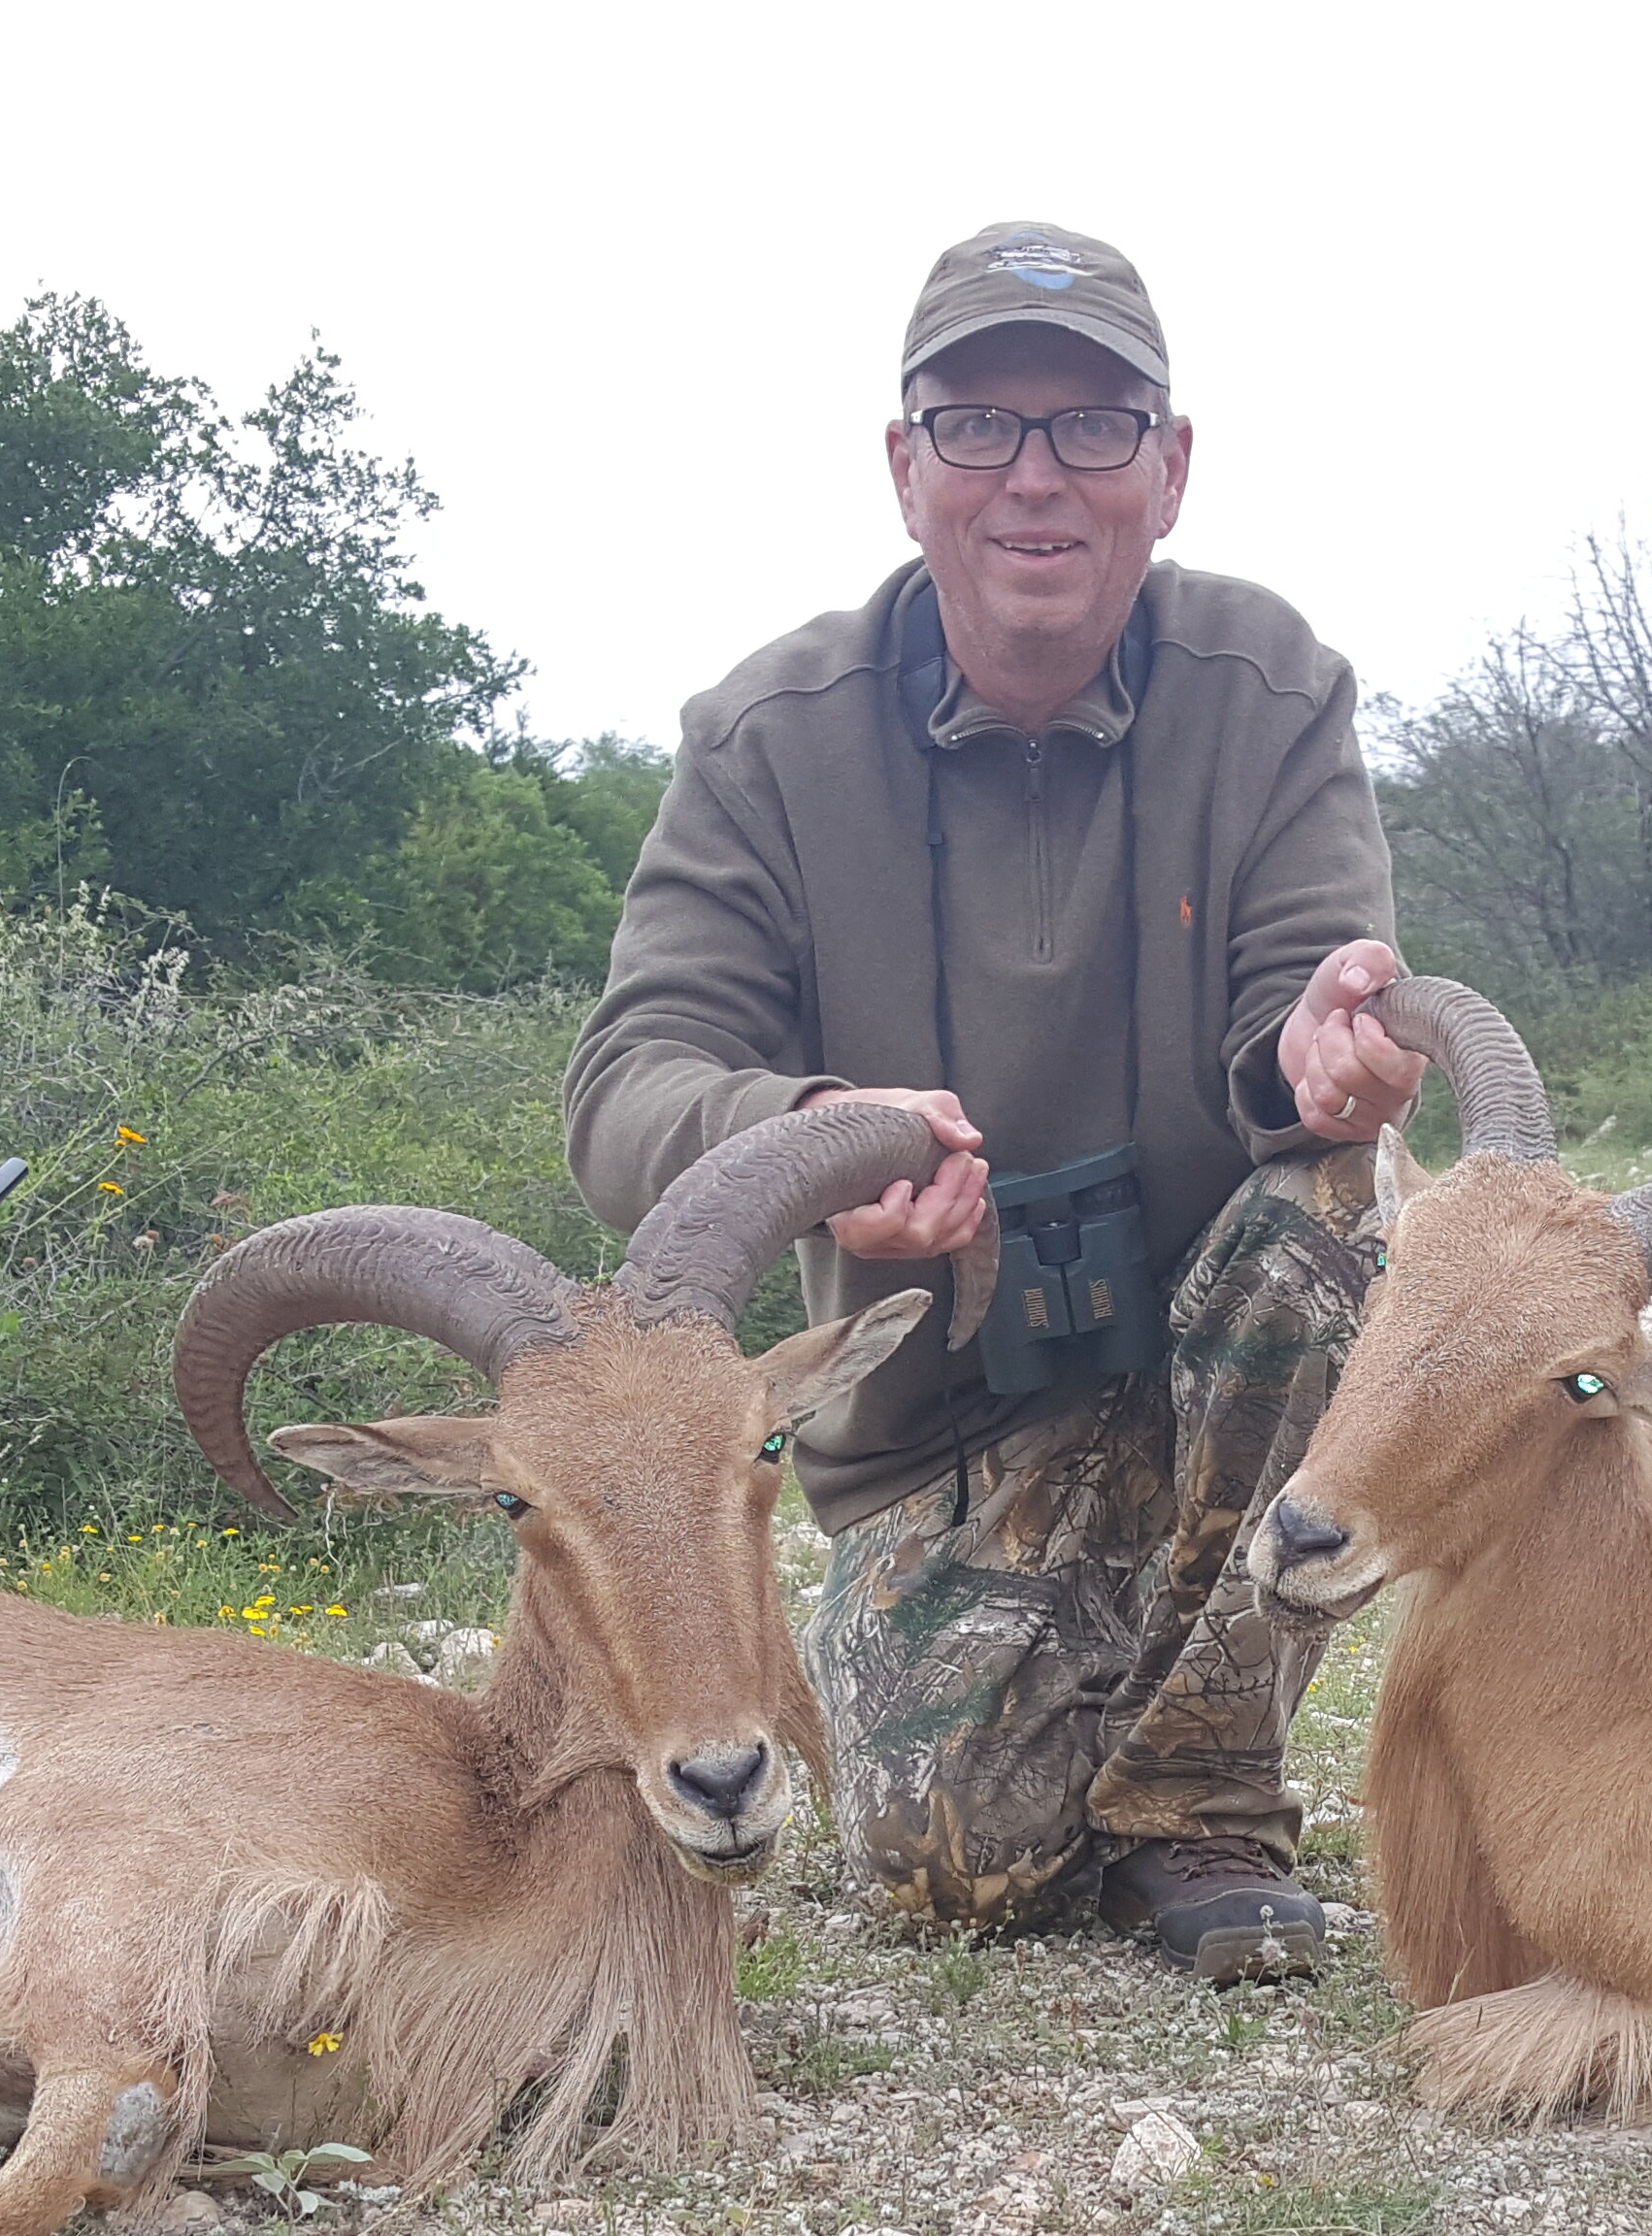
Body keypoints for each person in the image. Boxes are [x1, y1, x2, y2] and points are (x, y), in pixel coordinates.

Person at [565, 220, 1427, 1982]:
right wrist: (809, 1142)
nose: (1036, 477)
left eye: (1093, 428)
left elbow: (1305, 1004)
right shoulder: (764, 739)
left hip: (1205, 1364)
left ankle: (1203, 1797)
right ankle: (1094, 1690)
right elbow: (625, 1091)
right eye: (979, 426)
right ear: (906, 469)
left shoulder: (1271, 689)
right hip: (940, 1426)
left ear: (1168, 471)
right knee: (954, 1861)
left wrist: (1324, 1058)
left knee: (1343, 1200)